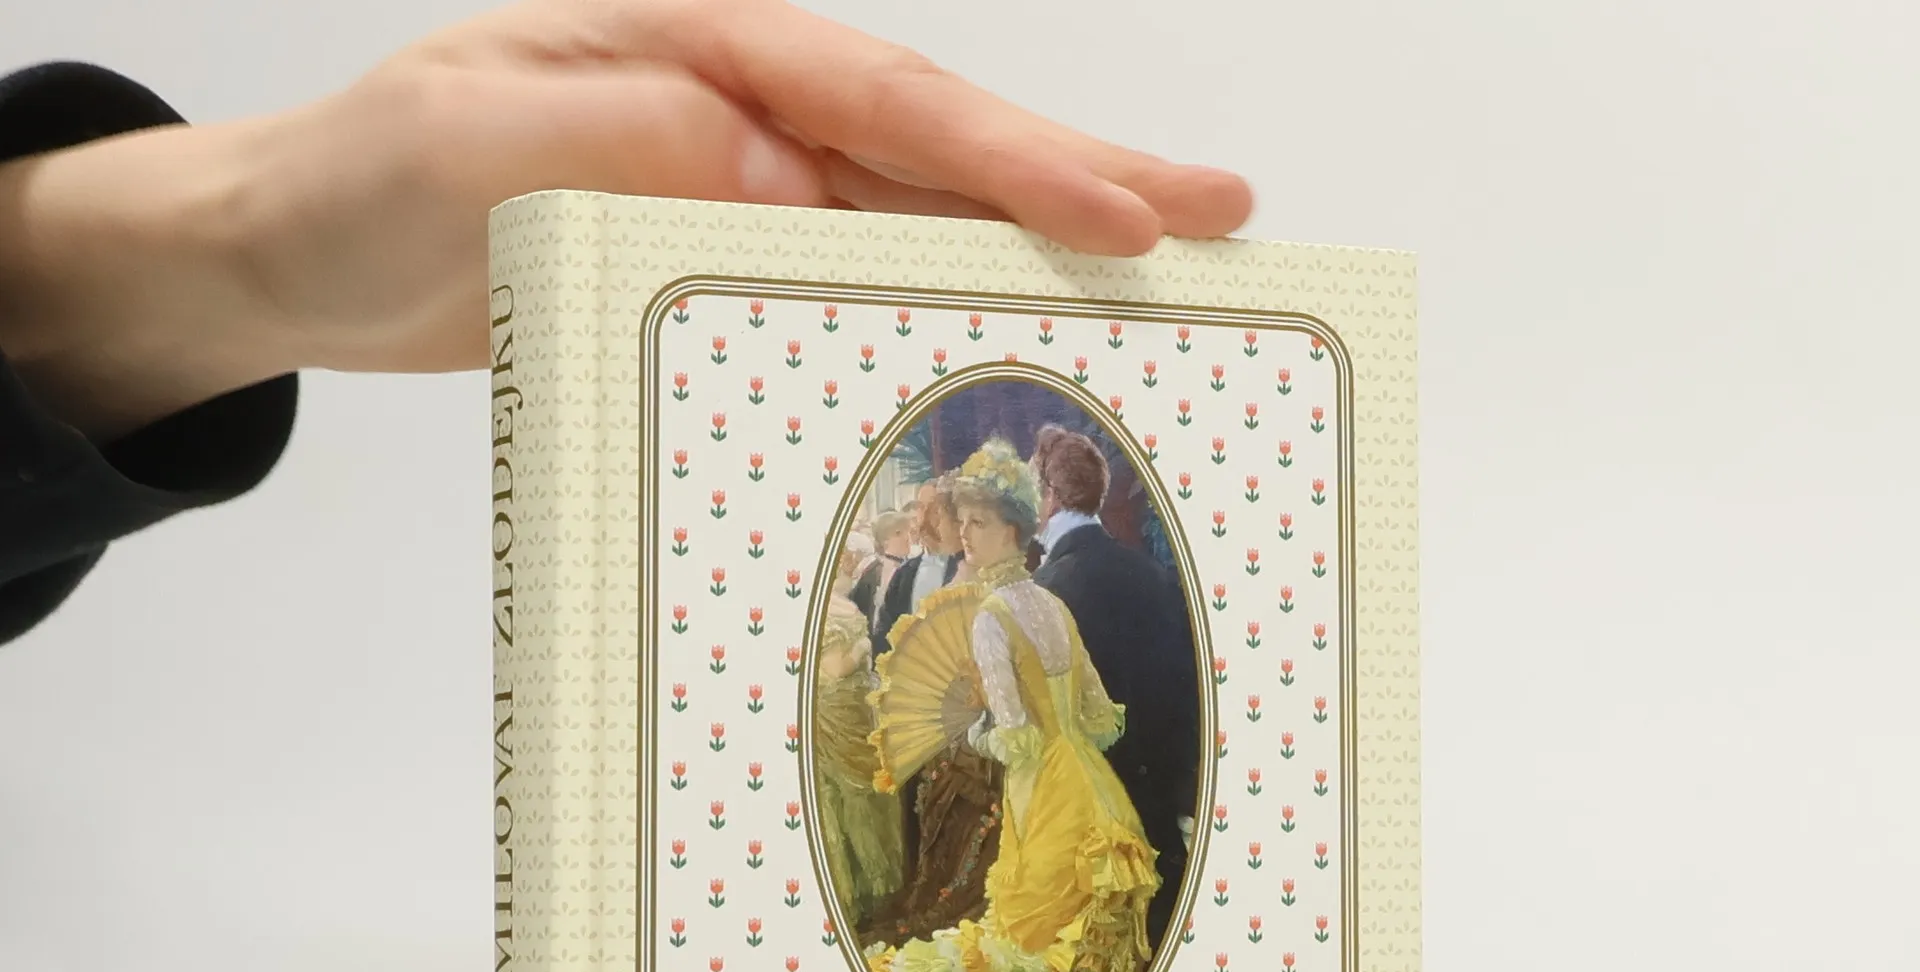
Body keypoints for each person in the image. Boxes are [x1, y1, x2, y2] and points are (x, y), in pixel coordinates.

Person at [0, 5, 1254, 650]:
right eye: (948, 518)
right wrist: (241, 249)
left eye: (957, 520)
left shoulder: (1056, 593)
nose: (944, 530)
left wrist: (228, 254)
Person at [865, 438, 1157, 972]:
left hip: (1040, 789)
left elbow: (1014, 737)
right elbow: (1097, 715)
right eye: (964, 522)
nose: (966, 535)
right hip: (1089, 781)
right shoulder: (1052, 604)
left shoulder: (991, 616)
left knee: (1027, 933)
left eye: (980, 523)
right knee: (1061, 928)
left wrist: (973, 732)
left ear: (1013, 531)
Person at [1031, 424, 1200, 948]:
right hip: (1160, 775)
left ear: (1051, 497)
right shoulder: (1148, 571)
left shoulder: (1048, 586)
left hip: (1094, 789)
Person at [812, 590, 904, 927]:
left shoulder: (839, 601)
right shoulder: (822, 610)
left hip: (857, 714)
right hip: (838, 722)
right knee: (850, 796)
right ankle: (860, 892)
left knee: (867, 795)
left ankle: (876, 891)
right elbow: (836, 669)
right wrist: (863, 646)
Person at [873, 473, 962, 652]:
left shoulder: (967, 569)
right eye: (921, 507)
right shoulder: (905, 574)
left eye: (934, 508)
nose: (925, 517)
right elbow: (883, 636)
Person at [849, 508, 911, 635]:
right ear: (884, 541)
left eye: (907, 532)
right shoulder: (876, 571)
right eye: (898, 533)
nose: (906, 538)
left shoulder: (909, 566)